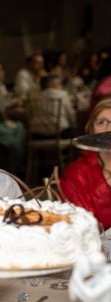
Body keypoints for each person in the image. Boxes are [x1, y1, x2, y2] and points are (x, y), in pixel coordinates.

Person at [60, 97, 111, 230]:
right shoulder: (77, 174)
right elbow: (80, 225)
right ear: (91, 128)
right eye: (102, 122)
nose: (109, 128)